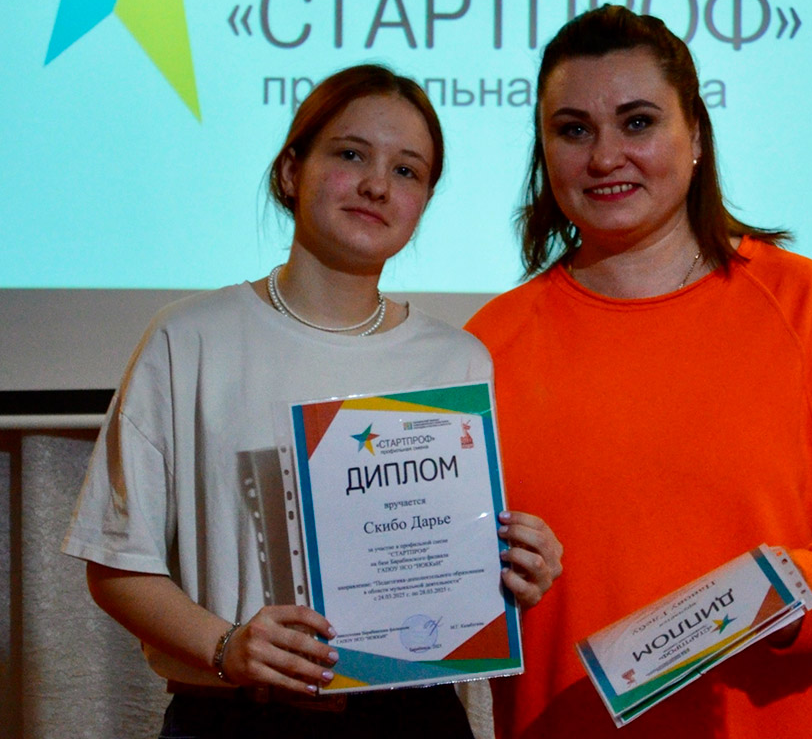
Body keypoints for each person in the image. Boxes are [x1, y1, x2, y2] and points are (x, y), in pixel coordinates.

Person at [464, 6, 812, 739]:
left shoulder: (808, 307)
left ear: (695, 135)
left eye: (637, 123)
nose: (605, 157)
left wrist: (793, 595)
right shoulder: (487, 346)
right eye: (573, 130)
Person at [62, 64, 563, 739]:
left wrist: (516, 568)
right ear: (291, 171)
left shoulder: (456, 361)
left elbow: (456, 568)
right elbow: (116, 564)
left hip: (413, 720)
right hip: (232, 719)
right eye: (351, 154)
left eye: (407, 171)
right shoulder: (190, 338)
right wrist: (226, 647)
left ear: (422, 202)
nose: (377, 185)